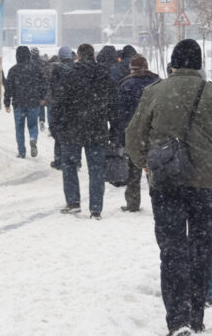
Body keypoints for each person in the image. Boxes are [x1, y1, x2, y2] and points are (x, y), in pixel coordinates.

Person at [125, 39, 212, 336]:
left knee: (172, 250)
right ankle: (197, 315)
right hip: (207, 185)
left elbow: (134, 136)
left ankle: (177, 320)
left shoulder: (154, 92)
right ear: (199, 64)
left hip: (166, 183)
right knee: (201, 247)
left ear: (173, 64)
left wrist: (146, 165)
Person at [51, 43, 116, 219]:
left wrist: (55, 126)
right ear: (93, 56)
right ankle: (95, 209)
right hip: (97, 129)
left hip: (72, 129)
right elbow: (113, 104)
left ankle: (73, 202)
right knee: (96, 169)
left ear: (78, 56)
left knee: (70, 165)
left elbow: (59, 102)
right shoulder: (104, 75)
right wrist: (115, 128)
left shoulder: (70, 75)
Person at [114, 54, 160, 212]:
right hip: (154, 132)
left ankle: (133, 202)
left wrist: (120, 137)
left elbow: (120, 114)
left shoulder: (125, 85)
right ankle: (158, 201)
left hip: (133, 133)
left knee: (133, 169)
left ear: (131, 69)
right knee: (153, 168)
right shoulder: (157, 83)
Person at [3, 46, 45, 158]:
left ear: (17, 56)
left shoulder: (13, 70)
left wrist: (7, 103)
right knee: (32, 125)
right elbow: (42, 84)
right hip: (33, 102)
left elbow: (8, 88)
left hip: (18, 103)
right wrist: (42, 97)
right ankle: (33, 138)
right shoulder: (36, 68)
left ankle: (21, 152)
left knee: (19, 127)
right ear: (29, 55)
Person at [47, 46, 75, 169]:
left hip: (59, 105)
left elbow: (52, 88)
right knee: (73, 134)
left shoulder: (57, 69)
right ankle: (74, 160)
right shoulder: (76, 68)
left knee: (59, 134)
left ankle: (59, 160)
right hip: (73, 106)